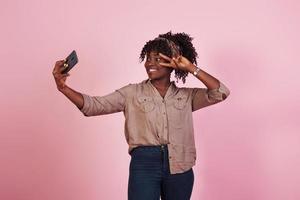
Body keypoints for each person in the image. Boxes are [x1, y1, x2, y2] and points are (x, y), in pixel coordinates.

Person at [52, 31, 230, 200]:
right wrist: (63, 88)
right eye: (148, 59)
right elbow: (94, 106)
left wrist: (191, 68)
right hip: (145, 164)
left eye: (158, 59)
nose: (150, 63)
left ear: (173, 63)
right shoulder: (131, 93)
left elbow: (220, 92)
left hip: (180, 164)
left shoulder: (187, 96)